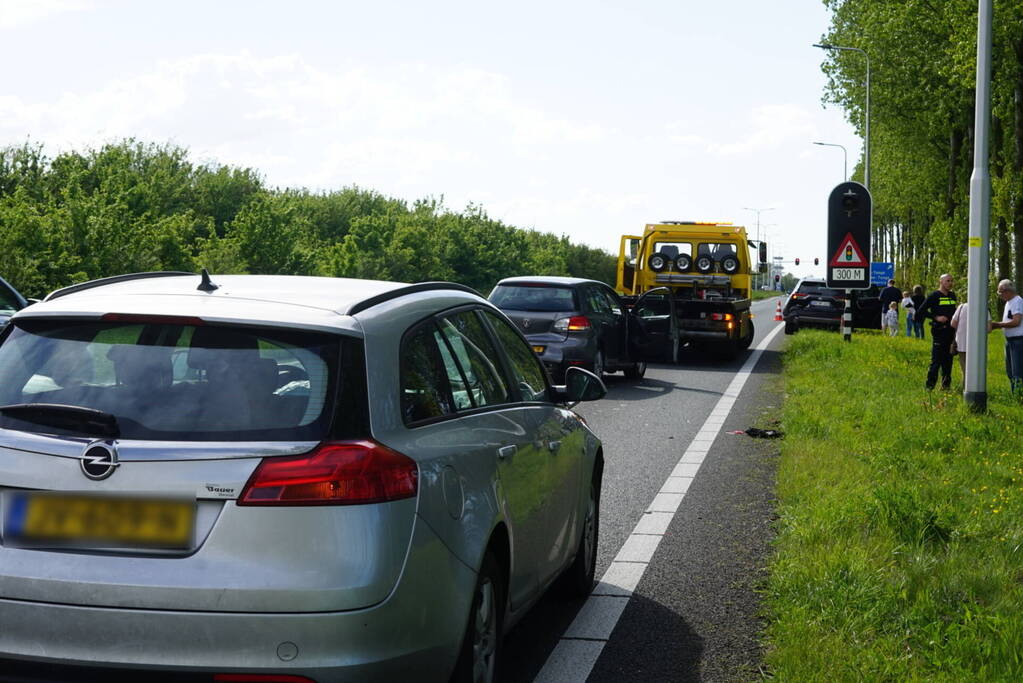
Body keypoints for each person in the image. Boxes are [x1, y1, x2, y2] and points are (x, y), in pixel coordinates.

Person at [916, 274, 958, 390]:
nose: (950, 283)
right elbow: (920, 311)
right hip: (939, 332)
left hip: (951, 332)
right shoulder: (934, 296)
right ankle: (929, 387)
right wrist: (936, 317)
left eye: (951, 281)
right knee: (936, 361)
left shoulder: (952, 296)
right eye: (947, 281)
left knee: (948, 361)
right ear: (941, 282)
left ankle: (946, 386)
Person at [990, 279, 1023, 395]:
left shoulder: (1017, 301)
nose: (1000, 296)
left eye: (1000, 293)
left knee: (1017, 372)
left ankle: (1018, 396)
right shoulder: (1009, 302)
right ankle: (1015, 393)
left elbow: (1016, 321)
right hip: (1010, 341)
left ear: (1007, 291)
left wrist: (998, 325)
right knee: (1010, 371)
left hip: (1018, 341)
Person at [950, 301, 991, 379]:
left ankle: (965, 389)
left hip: (962, 344)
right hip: (977, 346)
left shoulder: (961, 307)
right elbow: (989, 329)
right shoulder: (984, 309)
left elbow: (953, 324)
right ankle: (977, 389)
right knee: (976, 371)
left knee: (965, 371)